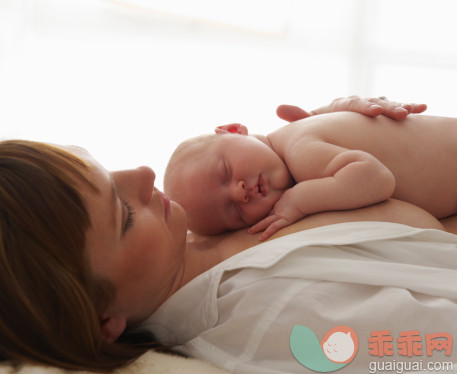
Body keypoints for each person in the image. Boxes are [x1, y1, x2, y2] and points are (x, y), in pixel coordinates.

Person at [0, 96, 453, 373]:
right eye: (123, 214)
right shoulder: (269, 319)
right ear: (103, 321)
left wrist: (334, 131)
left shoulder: (203, 230)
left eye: (108, 170)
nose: (143, 172)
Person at [164, 100, 457, 240]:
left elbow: (376, 179)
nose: (238, 193)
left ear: (233, 130)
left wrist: (299, 200)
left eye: (225, 172)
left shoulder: (298, 148)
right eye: (233, 212)